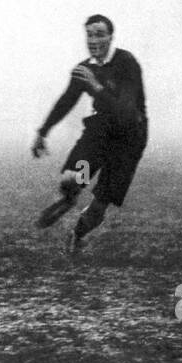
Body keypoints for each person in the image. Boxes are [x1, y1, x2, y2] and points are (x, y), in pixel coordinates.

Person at [31, 14, 147, 251]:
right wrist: (43, 132)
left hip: (129, 138)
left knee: (101, 201)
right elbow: (66, 101)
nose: (94, 40)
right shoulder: (85, 69)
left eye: (99, 34)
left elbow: (125, 110)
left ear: (110, 37)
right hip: (101, 133)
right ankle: (71, 195)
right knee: (75, 177)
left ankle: (77, 235)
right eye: (90, 34)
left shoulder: (127, 63)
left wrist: (95, 86)